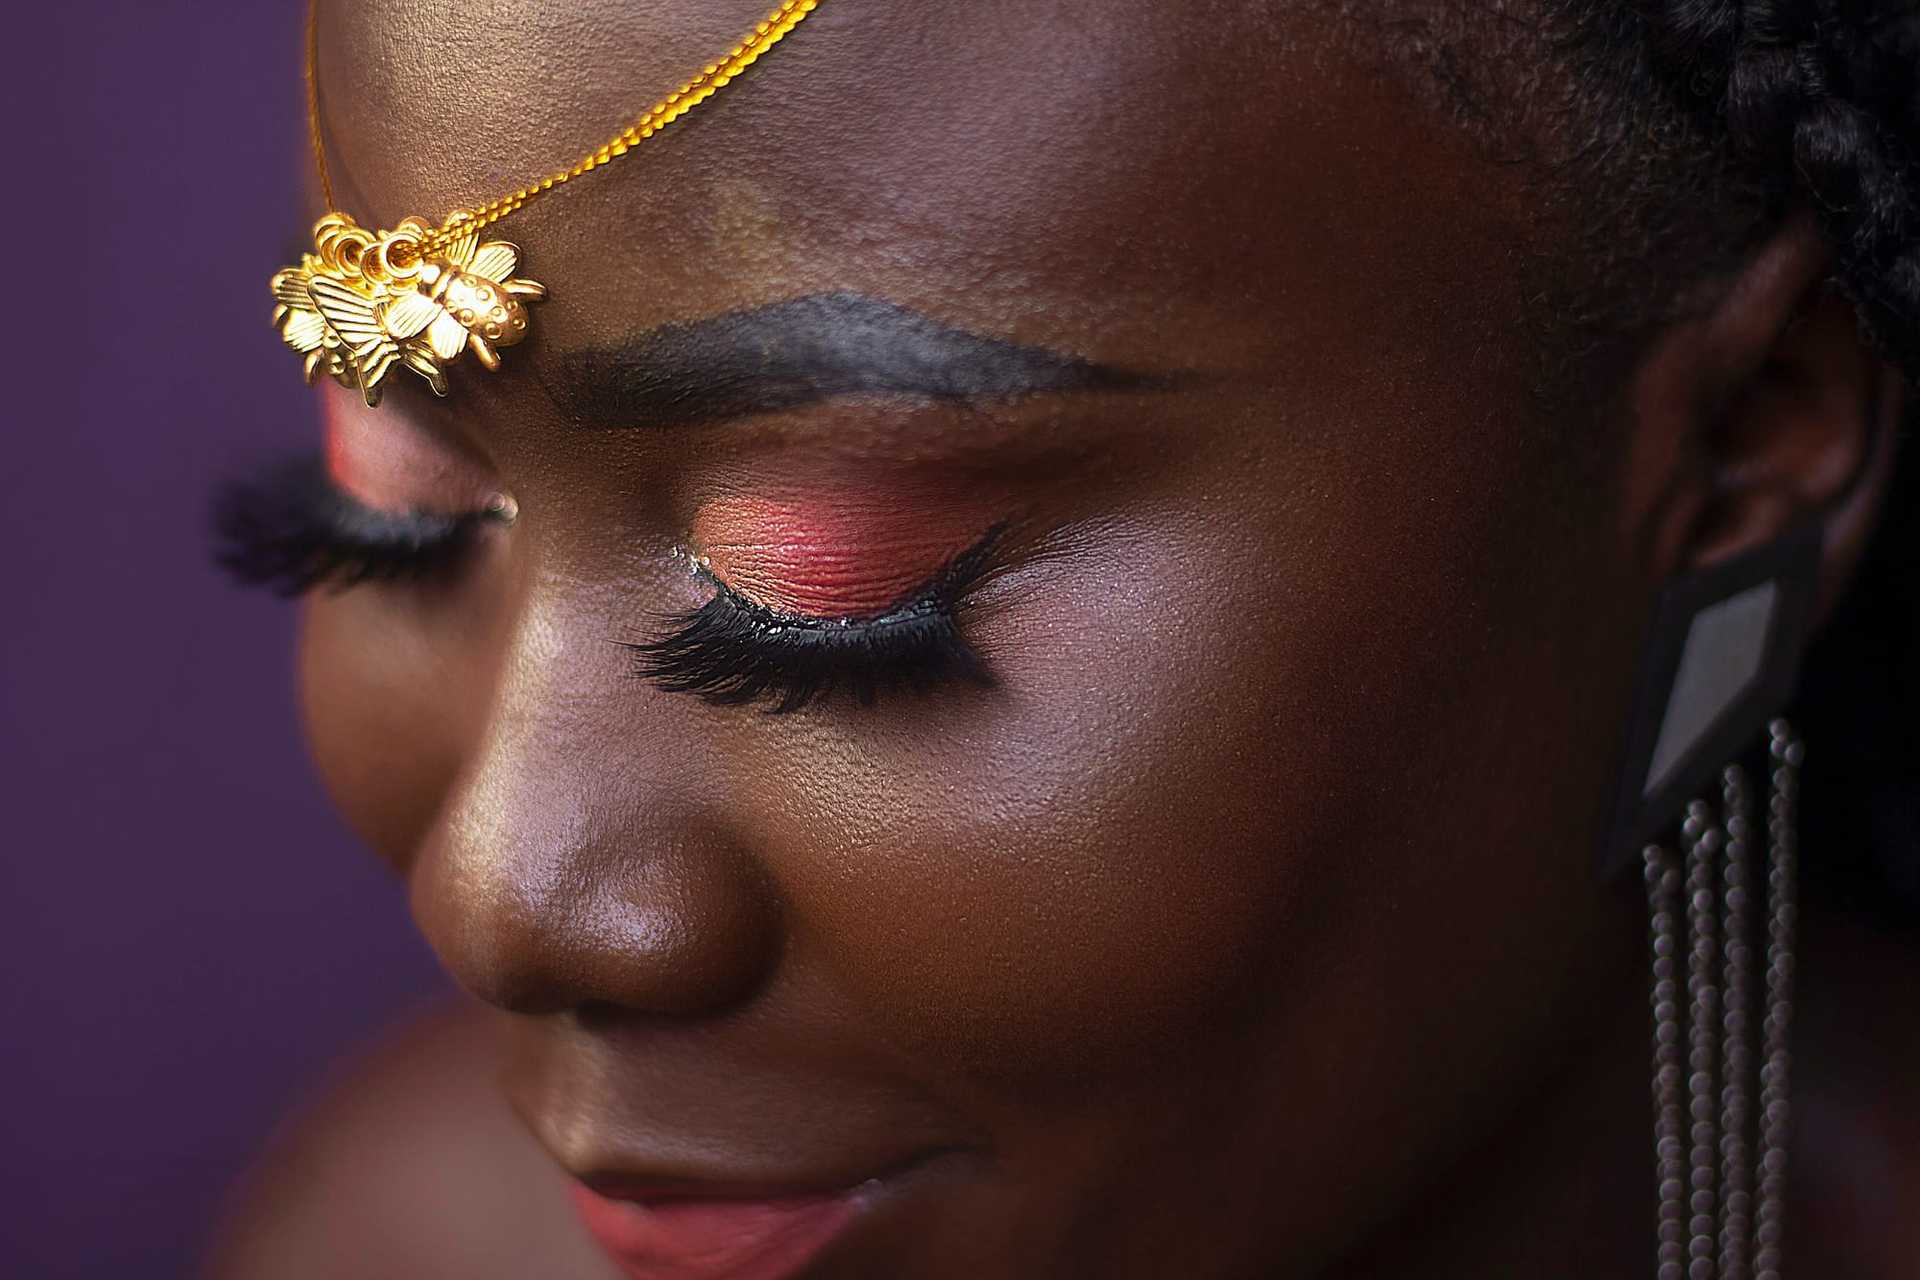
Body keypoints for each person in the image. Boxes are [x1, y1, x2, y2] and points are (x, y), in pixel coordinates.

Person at [206, 1, 1920, 1276]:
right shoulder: (402, 1237)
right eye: (398, 509)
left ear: (1740, 447)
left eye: (828, 597)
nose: (506, 895)